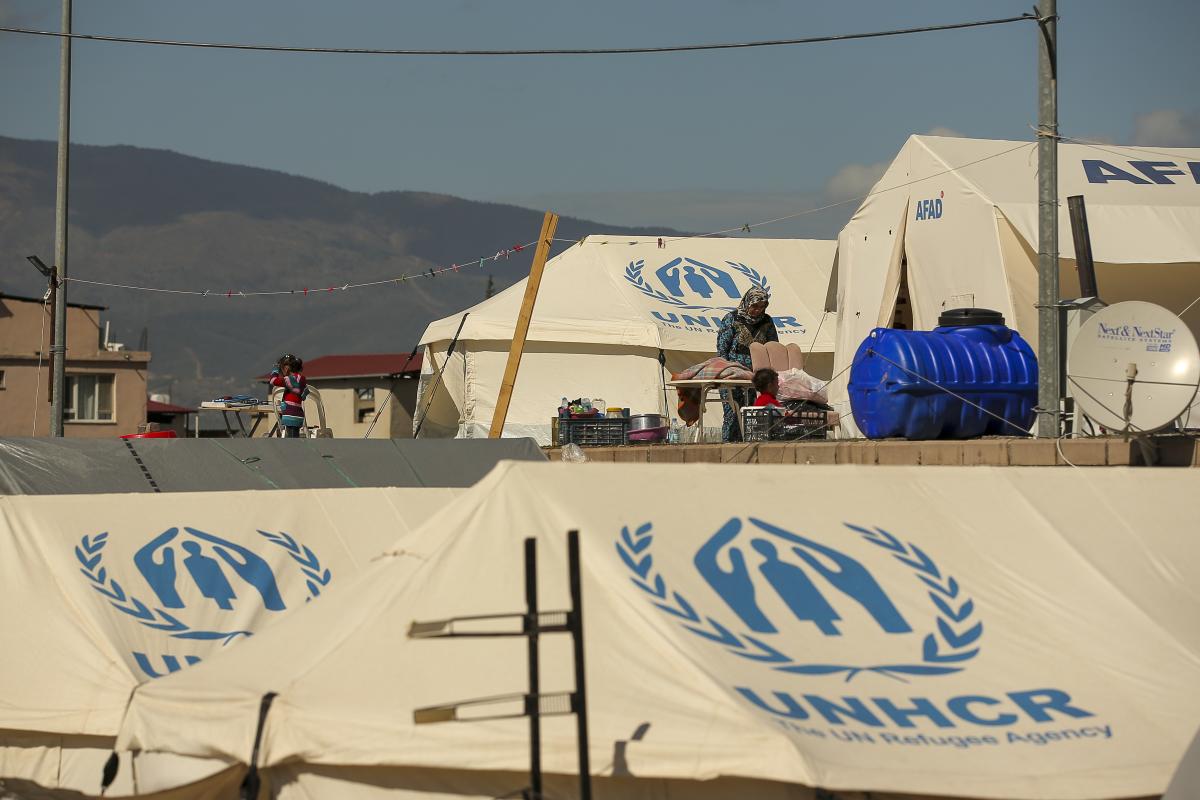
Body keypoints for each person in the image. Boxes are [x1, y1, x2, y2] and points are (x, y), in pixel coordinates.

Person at [716, 287, 778, 441]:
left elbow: (773, 346)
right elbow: (722, 349)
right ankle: (729, 449)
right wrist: (726, 372)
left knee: (755, 416)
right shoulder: (732, 319)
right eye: (755, 306)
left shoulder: (767, 321)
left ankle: (752, 451)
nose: (758, 310)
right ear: (747, 302)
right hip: (733, 375)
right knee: (733, 414)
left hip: (757, 378)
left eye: (762, 307)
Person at [269, 354, 309, 438]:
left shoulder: (287, 380)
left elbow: (272, 381)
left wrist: (275, 370)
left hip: (289, 415)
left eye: (281, 369)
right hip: (298, 414)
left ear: (286, 368)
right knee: (295, 438)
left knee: (291, 441)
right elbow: (303, 396)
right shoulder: (302, 379)